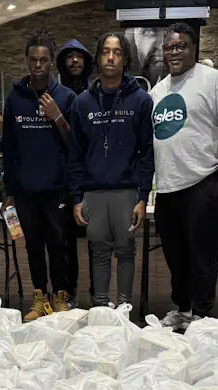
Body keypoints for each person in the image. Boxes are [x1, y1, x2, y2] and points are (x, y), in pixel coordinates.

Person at [150, 22, 218, 330]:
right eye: (169, 47)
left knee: (202, 253)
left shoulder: (213, 80)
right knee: (175, 254)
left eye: (181, 46)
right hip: (166, 187)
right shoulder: (158, 91)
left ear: (194, 49)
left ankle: (202, 314)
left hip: (202, 181)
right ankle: (181, 307)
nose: (174, 52)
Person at [68, 32, 154, 308]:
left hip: (126, 190)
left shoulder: (140, 101)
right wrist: (76, 197)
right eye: (106, 51)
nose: (111, 57)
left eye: (117, 52)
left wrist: (143, 197)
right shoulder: (82, 103)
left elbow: (146, 153)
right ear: (98, 58)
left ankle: (125, 308)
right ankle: (102, 307)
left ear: (125, 59)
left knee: (126, 251)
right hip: (93, 192)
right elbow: (75, 155)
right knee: (99, 252)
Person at [2, 29, 76, 321]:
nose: (38, 66)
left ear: (51, 63)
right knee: (33, 245)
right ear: (27, 61)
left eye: (43, 60)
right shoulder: (15, 99)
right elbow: (8, 146)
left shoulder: (66, 97)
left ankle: (60, 295)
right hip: (25, 189)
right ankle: (39, 297)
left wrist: (57, 116)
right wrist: (9, 191)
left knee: (59, 245)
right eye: (33, 60)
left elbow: (75, 144)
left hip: (57, 188)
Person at [57, 39, 94, 304]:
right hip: (61, 177)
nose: (75, 61)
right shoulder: (55, 94)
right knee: (66, 240)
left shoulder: (95, 95)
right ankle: (68, 291)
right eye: (69, 57)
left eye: (79, 56)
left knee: (94, 239)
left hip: (90, 176)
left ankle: (97, 293)